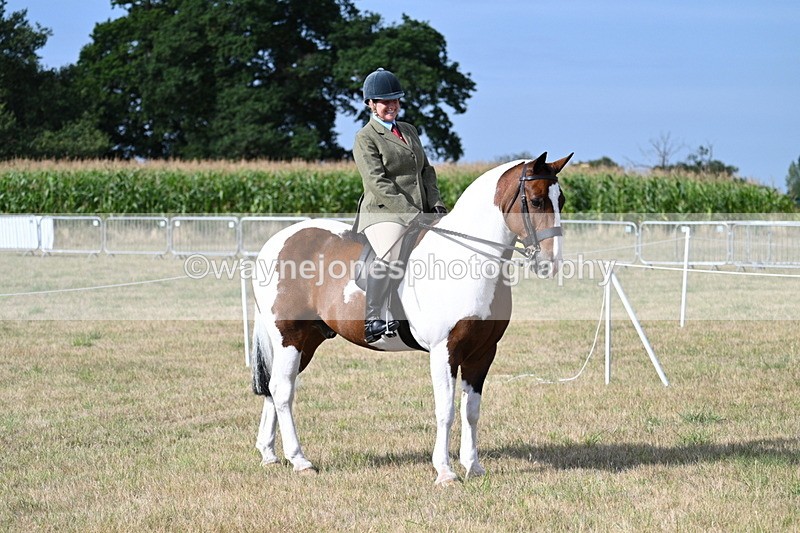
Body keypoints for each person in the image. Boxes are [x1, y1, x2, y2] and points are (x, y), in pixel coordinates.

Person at [353, 68, 447, 343]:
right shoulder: (365, 137)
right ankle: (372, 319)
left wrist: (436, 204)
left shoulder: (409, 130)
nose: (391, 106)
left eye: (395, 100)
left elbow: (426, 171)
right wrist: (410, 214)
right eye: (384, 101)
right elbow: (377, 182)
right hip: (384, 212)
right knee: (392, 255)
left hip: (420, 209)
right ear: (371, 104)